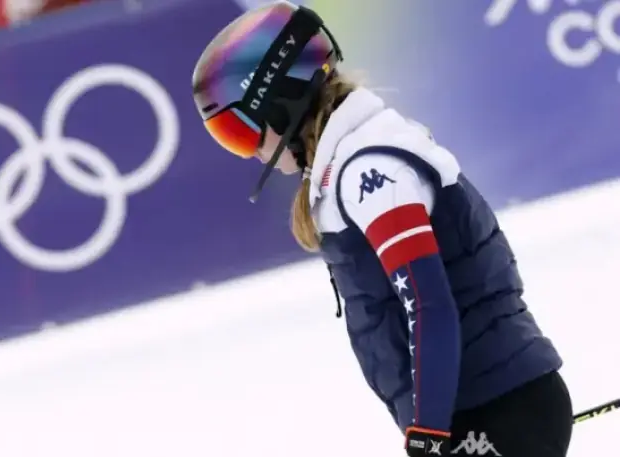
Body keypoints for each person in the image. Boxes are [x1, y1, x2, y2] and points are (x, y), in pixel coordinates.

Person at [190, 1, 574, 456]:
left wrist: (428, 434)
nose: (250, 151)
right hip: (480, 410)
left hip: (498, 408)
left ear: (279, 102)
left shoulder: (370, 170)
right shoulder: (351, 160)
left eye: (241, 130)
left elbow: (428, 304)